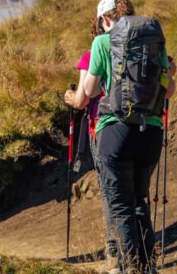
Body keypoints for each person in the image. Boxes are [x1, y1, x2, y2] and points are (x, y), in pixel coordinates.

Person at [83, 0, 176, 273]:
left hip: (115, 130)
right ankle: (147, 267)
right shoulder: (153, 41)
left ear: (105, 18)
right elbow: (168, 90)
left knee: (120, 203)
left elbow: (88, 91)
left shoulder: (101, 42)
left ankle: (131, 268)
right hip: (151, 131)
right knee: (139, 200)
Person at [64, 17, 120, 273]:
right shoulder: (137, 49)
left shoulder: (91, 54)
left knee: (110, 190)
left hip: (102, 125)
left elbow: (81, 101)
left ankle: (114, 251)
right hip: (138, 125)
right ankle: (137, 247)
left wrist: (69, 97)